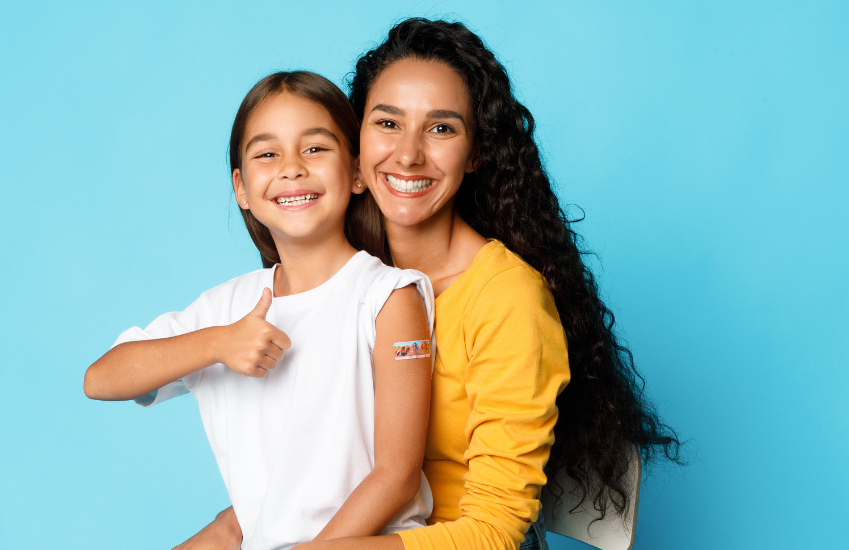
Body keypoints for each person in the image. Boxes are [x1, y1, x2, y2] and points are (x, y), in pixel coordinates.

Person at [186, 19, 682, 550]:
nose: (408, 154)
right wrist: (237, 527)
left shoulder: (507, 300)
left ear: (475, 153)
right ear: (354, 144)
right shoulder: (344, 275)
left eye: (441, 128)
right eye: (387, 123)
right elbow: (308, 467)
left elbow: (493, 532)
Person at [83, 71, 437, 549]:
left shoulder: (388, 297)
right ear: (242, 188)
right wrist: (217, 343)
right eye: (267, 154)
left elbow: (396, 474)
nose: (291, 168)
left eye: (315, 148)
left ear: (356, 172)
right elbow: (101, 379)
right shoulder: (226, 308)